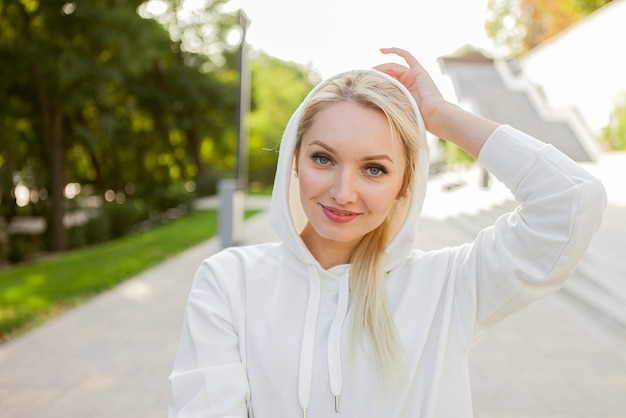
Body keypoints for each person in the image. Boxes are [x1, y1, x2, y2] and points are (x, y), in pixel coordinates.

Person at [168, 48, 606, 418]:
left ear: (405, 184)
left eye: (374, 169)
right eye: (324, 159)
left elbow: (571, 200)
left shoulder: (449, 286)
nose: (344, 192)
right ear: (294, 159)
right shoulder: (229, 281)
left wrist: (439, 116)